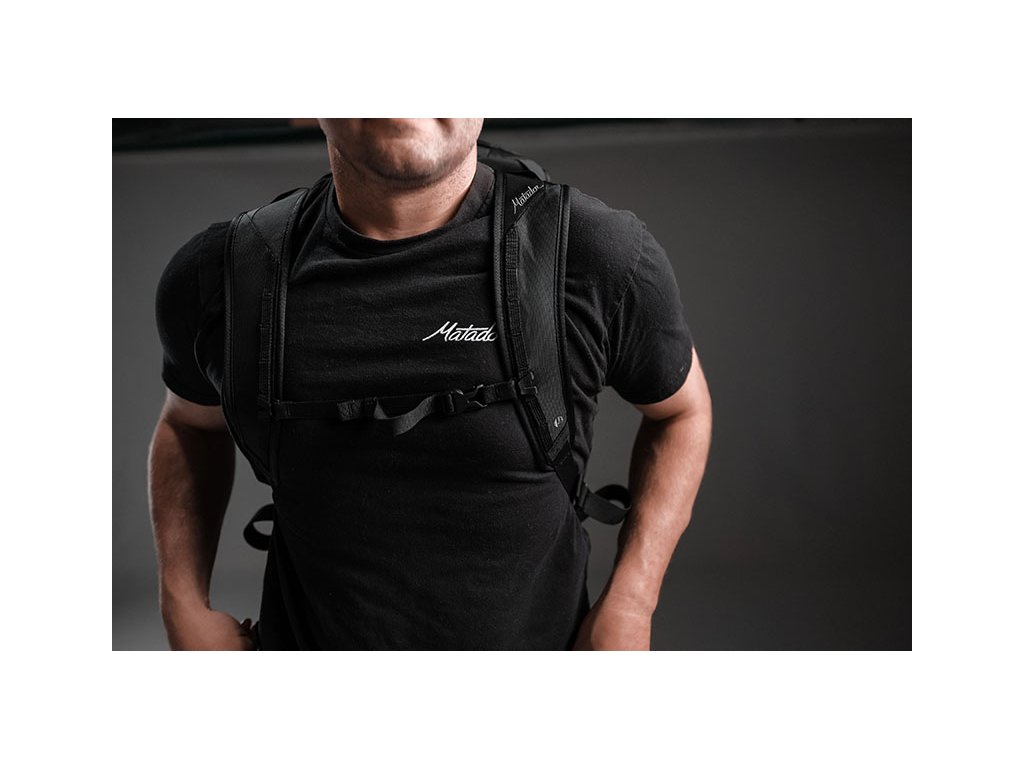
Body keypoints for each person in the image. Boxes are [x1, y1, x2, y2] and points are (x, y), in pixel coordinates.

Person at [149, 118, 713, 650]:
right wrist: (183, 604)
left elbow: (682, 413)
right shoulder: (227, 274)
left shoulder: (590, 253)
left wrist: (632, 604)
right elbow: (187, 423)